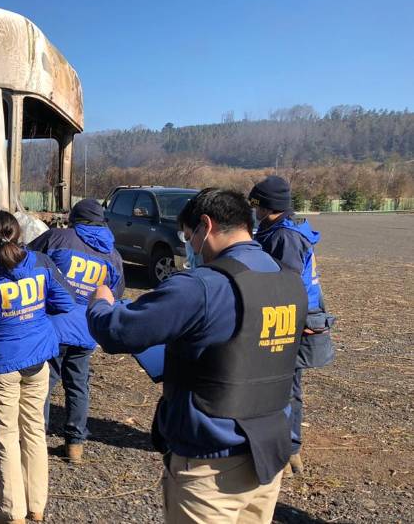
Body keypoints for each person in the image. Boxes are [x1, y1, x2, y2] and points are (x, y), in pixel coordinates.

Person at [87, 188, 307, 524]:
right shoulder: (288, 280)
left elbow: (120, 331)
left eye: (188, 236)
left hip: (210, 465)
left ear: (205, 226)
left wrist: (100, 303)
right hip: (267, 452)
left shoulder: (202, 286)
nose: (190, 246)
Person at [0, 211, 75, 524]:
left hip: (1, 364)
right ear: (19, 233)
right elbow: (65, 302)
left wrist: (0, 317)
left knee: (7, 437)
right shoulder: (40, 263)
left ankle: (12, 512)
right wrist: (35, 315)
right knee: (35, 431)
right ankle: (36, 506)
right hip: (38, 359)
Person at [249, 175, 335, 476]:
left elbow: (283, 287)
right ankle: (284, 446)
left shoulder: (283, 238)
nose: (253, 210)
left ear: (265, 206)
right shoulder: (277, 231)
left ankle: (288, 449)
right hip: (290, 318)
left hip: (289, 321)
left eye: (255, 204)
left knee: (285, 386)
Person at [27, 198, 124, 464]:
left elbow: (26, 260)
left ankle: (36, 441)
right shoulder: (113, 255)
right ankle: (75, 445)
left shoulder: (58, 237)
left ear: (76, 218)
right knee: (78, 386)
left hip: (53, 327)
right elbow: (114, 295)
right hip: (87, 330)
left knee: (43, 384)